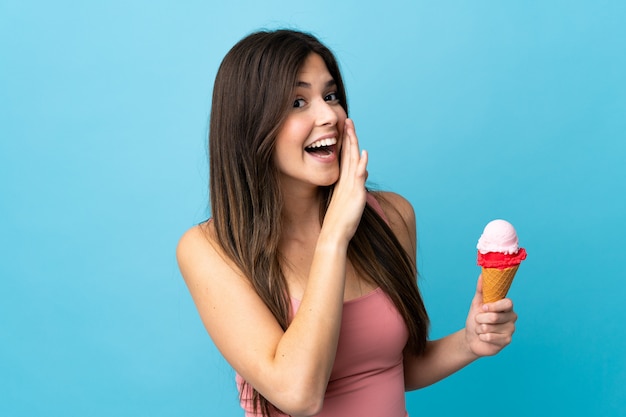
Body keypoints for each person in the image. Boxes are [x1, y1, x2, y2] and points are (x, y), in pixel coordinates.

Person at [176, 29, 517, 417]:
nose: (329, 115)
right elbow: (298, 394)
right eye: (298, 102)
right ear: (250, 126)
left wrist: (470, 342)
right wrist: (334, 237)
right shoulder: (211, 250)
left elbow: (392, 366)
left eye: (331, 96)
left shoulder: (392, 217)